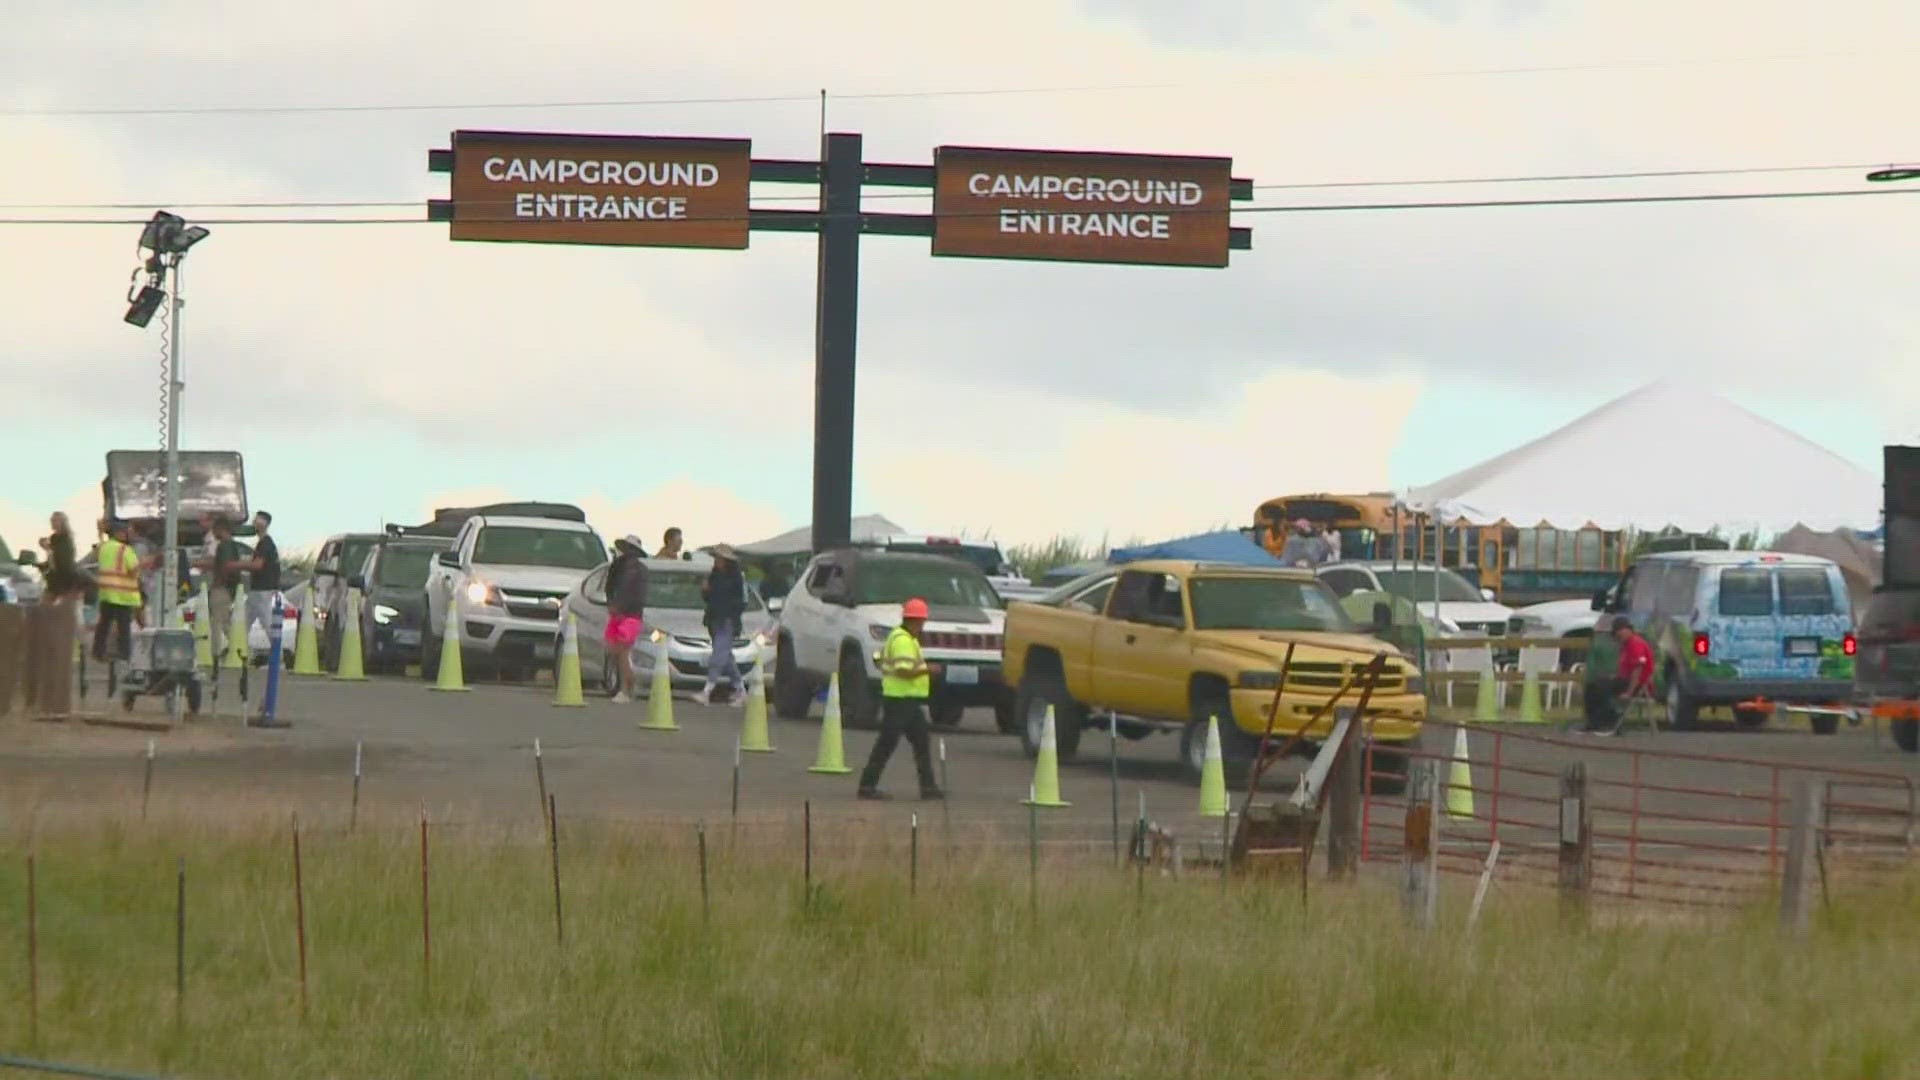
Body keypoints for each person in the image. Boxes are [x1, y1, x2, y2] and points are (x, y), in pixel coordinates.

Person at [857, 597, 945, 801]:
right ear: (915, 621)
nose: (922, 626)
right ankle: (867, 786)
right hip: (899, 700)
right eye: (921, 622)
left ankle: (928, 787)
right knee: (887, 743)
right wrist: (927, 669)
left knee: (920, 741)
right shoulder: (903, 640)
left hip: (906, 700)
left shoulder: (903, 638)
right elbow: (903, 671)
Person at [1587, 618, 1656, 735]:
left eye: (1621, 631)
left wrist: (1629, 693)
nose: (1619, 635)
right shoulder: (1626, 645)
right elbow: (1626, 669)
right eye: (1617, 633)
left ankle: (1608, 722)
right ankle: (1594, 722)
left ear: (1628, 630)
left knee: (1601, 688)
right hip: (1626, 680)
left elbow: (1637, 670)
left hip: (1638, 685)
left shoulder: (1635, 644)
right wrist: (1614, 677)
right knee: (1593, 686)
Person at [698, 544, 747, 705]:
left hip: (727, 620)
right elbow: (709, 598)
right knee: (726, 657)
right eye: (716, 558)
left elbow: (741, 602)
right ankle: (740, 689)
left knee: (719, 655)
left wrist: (730, 615)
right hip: (714, 619)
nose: (717, 561)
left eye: (720, 559)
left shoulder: (737, 578)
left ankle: (707, 690)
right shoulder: (714, 576)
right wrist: (705, 590)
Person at [604, 535, 649, 703]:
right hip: (616, 613)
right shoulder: (617, 566)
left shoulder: (641, 571)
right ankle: (631, 682)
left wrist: (623, 608)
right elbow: (609, 586)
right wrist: (611, 604)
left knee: (623, 652)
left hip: (631, 616)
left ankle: (626, 690)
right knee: (613, 650)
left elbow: (639, 596)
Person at [92, 519, 142, 666]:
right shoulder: (125, 550)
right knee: (123, 627)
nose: (129, 535)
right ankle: (124, 655)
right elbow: (134, 572)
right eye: (127, 532)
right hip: (123, 595)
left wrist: (100, 532)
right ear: (120, 534)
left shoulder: (104, 548)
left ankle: (98, 652)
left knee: (103, 625)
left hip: (106, 593)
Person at [197, 516, 245, 661]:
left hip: (222, 588)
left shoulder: (224, 546)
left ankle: (216, 654)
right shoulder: (232, 546)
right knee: (223, 621)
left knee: (217, 621)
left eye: (215, 530)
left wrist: (218, 583)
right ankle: (237, 650)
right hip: (229, 587)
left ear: (221, 529)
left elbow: (224, 566)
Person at [242, 511, 282, 657]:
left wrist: (239, 565)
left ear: (264, 523)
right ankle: (240, 650)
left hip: (262, 589)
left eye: (257, 520)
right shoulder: (264, 543)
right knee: (243, 622)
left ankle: (278, 655)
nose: (253, 522)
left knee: (267, 622)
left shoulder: (265, 544)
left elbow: (258, 565)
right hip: (258, 590)